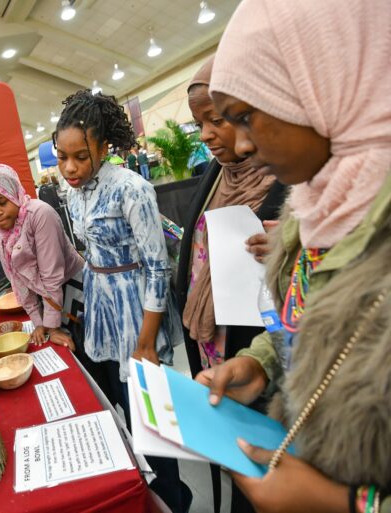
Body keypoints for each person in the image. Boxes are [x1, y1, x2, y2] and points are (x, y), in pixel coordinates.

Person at [196, 0, 391, 512]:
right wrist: (260, 364)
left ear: (320, 82)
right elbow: (315, 324)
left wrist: (343, 503)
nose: (238, 145)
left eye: (245, 117)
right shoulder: (319, 203)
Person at [53, 89, 190, 513]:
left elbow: (157, 267)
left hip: (137, 311)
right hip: (99, 307)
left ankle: (174, 500)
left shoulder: (132, 188)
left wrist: (147, 342)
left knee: (151, 429)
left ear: (104, 146)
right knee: (116, 412)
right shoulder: (73, 192)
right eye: (62, 157)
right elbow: (86, 254)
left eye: (80, 156)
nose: (70, 167)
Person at [175, 54, 287, 513]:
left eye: (218, 119)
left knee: (268, 457)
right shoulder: (215, 176)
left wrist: (297, 238)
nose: (208, 136)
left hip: (270, 340)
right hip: (227, 346)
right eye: (200, 122)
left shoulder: (293, 178)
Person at [0, 164, 83, 349]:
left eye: (2, 202)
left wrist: (51, 326)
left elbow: (51, 276)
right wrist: (38, 321)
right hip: (48, 295)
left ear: (14, 193)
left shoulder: (40, 214)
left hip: (75, 288)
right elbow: (15, 277)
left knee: (86, 348)